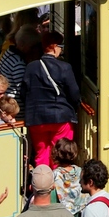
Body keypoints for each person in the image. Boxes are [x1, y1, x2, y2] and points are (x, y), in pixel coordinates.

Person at [23, 30, 81, 166]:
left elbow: (24, 92)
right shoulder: (65, 67)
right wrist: (76, 106)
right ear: (55, 47)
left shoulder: (31, 67)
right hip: (60, 117)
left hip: (36, 118)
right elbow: (74, 93)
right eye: (61, 46)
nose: (61, 50)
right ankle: (58, 179)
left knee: (41, 154)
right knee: (60, 155)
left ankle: (42, 179)